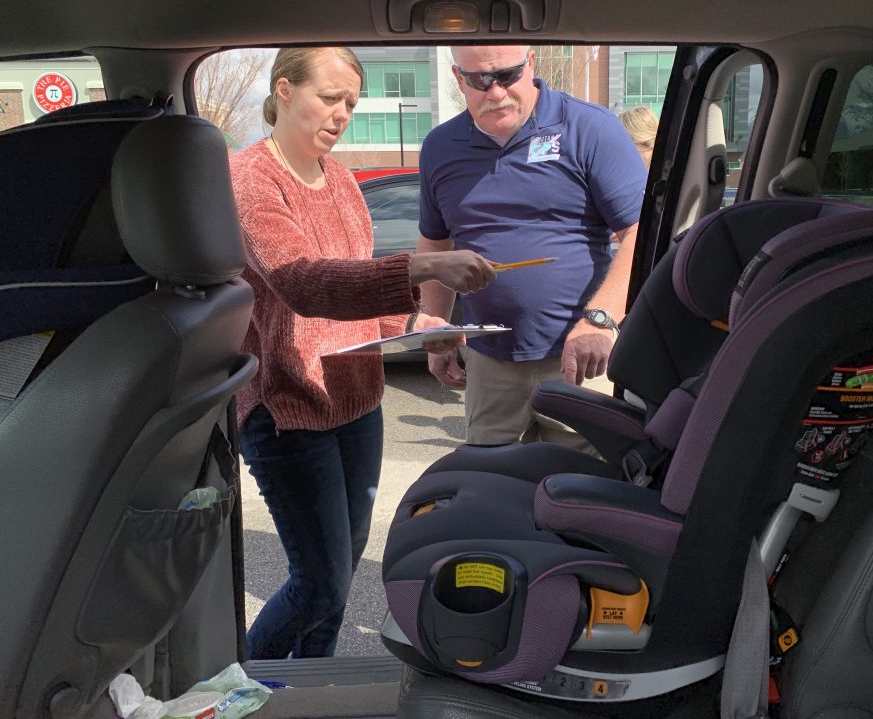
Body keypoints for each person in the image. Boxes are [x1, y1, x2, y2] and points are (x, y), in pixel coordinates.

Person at [230, 46, 495, 659]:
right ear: (283, 91)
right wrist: (424, 265)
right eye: (329, 97)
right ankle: (246, 688)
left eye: (351, 102)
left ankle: (314, 682)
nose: (342, 113)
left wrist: (416, 320)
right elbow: (304, 281)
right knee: (318, 584)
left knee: (338, 577)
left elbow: (358, 284)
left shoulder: (344, 179)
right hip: (289, 407)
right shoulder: (249, 179)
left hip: (358, 401)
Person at [416, 44, 647, 450]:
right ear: (458, 78)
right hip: (489, 362)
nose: (496, 92)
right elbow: (435, 244)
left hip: (578, 358)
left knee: (581, 489)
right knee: (490, 483)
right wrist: (437, 324)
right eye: (479, 80)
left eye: (507, 76)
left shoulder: (589, 128)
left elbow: (639, 232)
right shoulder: (440, 146)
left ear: (531, 65)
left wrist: (601, 320)